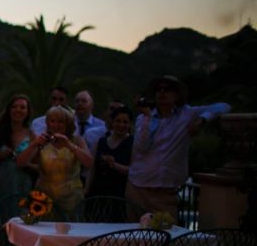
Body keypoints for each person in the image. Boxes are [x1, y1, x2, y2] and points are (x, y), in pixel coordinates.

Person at [127, 75, 230, 217]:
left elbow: (224, 106)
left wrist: (202, 119)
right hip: (138, 187)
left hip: (166, 192)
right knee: (133, 234)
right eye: (159, 89)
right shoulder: (144, 118)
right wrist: (148, 118)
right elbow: (141, 147)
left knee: (166, 233)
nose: (162, 92)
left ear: (177, 95)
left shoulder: (187, 114)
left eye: (168, 89)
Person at [17, 105, 94, 220]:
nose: (56, 125)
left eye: (60, 121)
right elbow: (20, 163)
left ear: (68, 123)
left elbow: (89, 163)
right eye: (52, 121)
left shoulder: (77, 140)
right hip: (44, 197)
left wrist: (69, 145)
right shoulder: (41, 141)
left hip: (71, 196)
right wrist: (34, 144)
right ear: (47, 123)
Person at [0, 94, 35, 203]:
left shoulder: (32, 136)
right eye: (14, 106)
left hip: (21, 183)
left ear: (28, 112)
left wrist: (24, 162)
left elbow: (39, 166)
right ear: (9, 109)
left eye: (22, 107)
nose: (18, 110)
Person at [86, 106, 134, 199]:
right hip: (97, 193)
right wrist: (86, 189)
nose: (121, 125)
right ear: (112, 122)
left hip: (119, 194)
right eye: (118, 121)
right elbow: (92, 169)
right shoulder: (101, 142)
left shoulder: (132, 143)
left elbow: (133, 171)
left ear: (130, 124)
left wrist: (115, 165)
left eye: (125, 122)